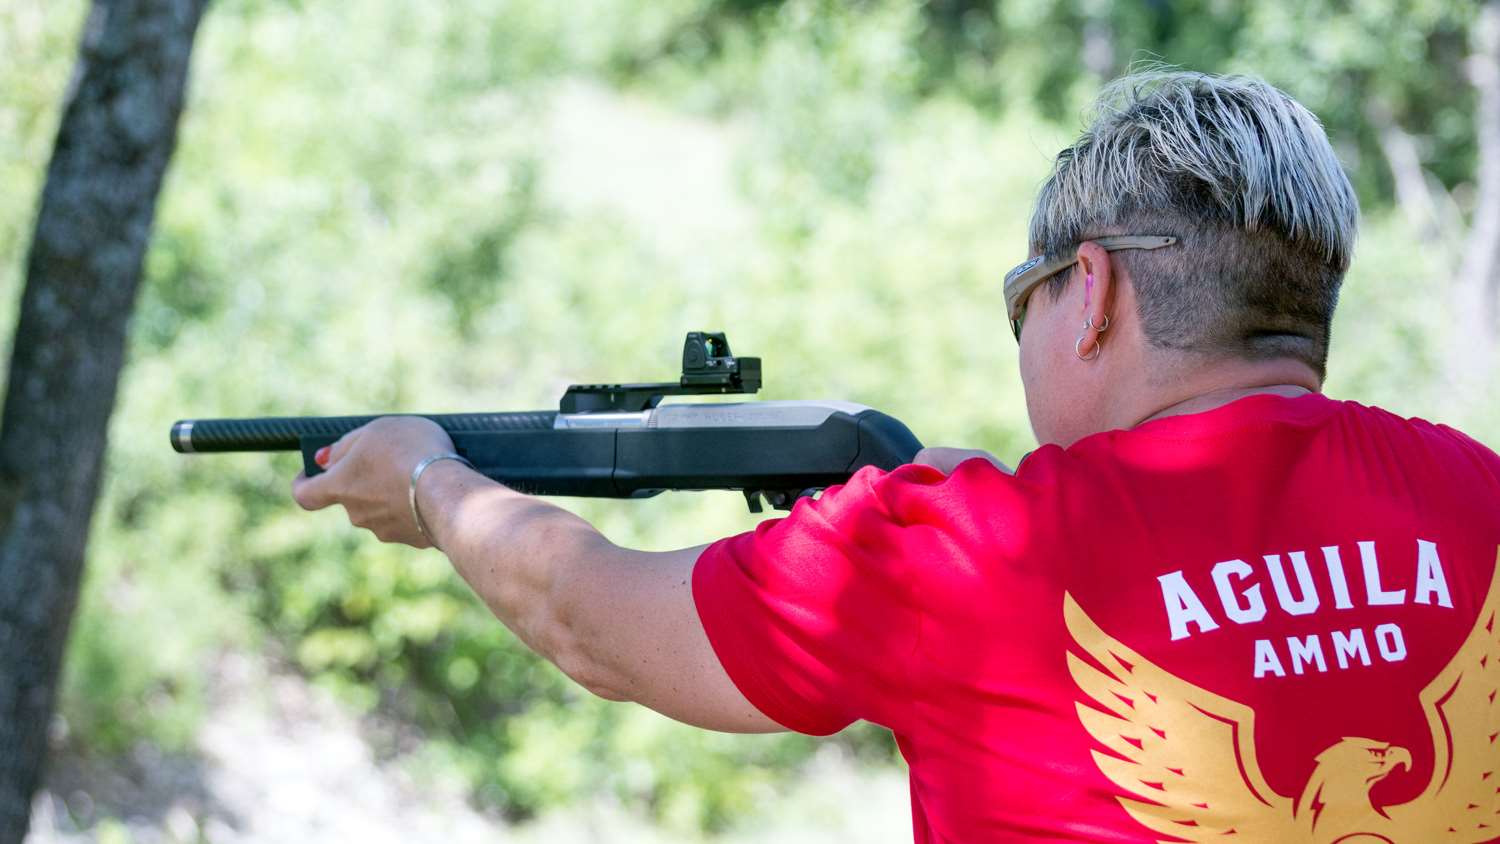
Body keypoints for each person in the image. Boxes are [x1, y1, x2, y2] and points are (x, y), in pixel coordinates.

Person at [290, 70, 1500, 842]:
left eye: (1018, 298)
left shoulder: (963, 553)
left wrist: (428, 480)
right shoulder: (1478, 495)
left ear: (1090, 292)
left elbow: (591, 620)